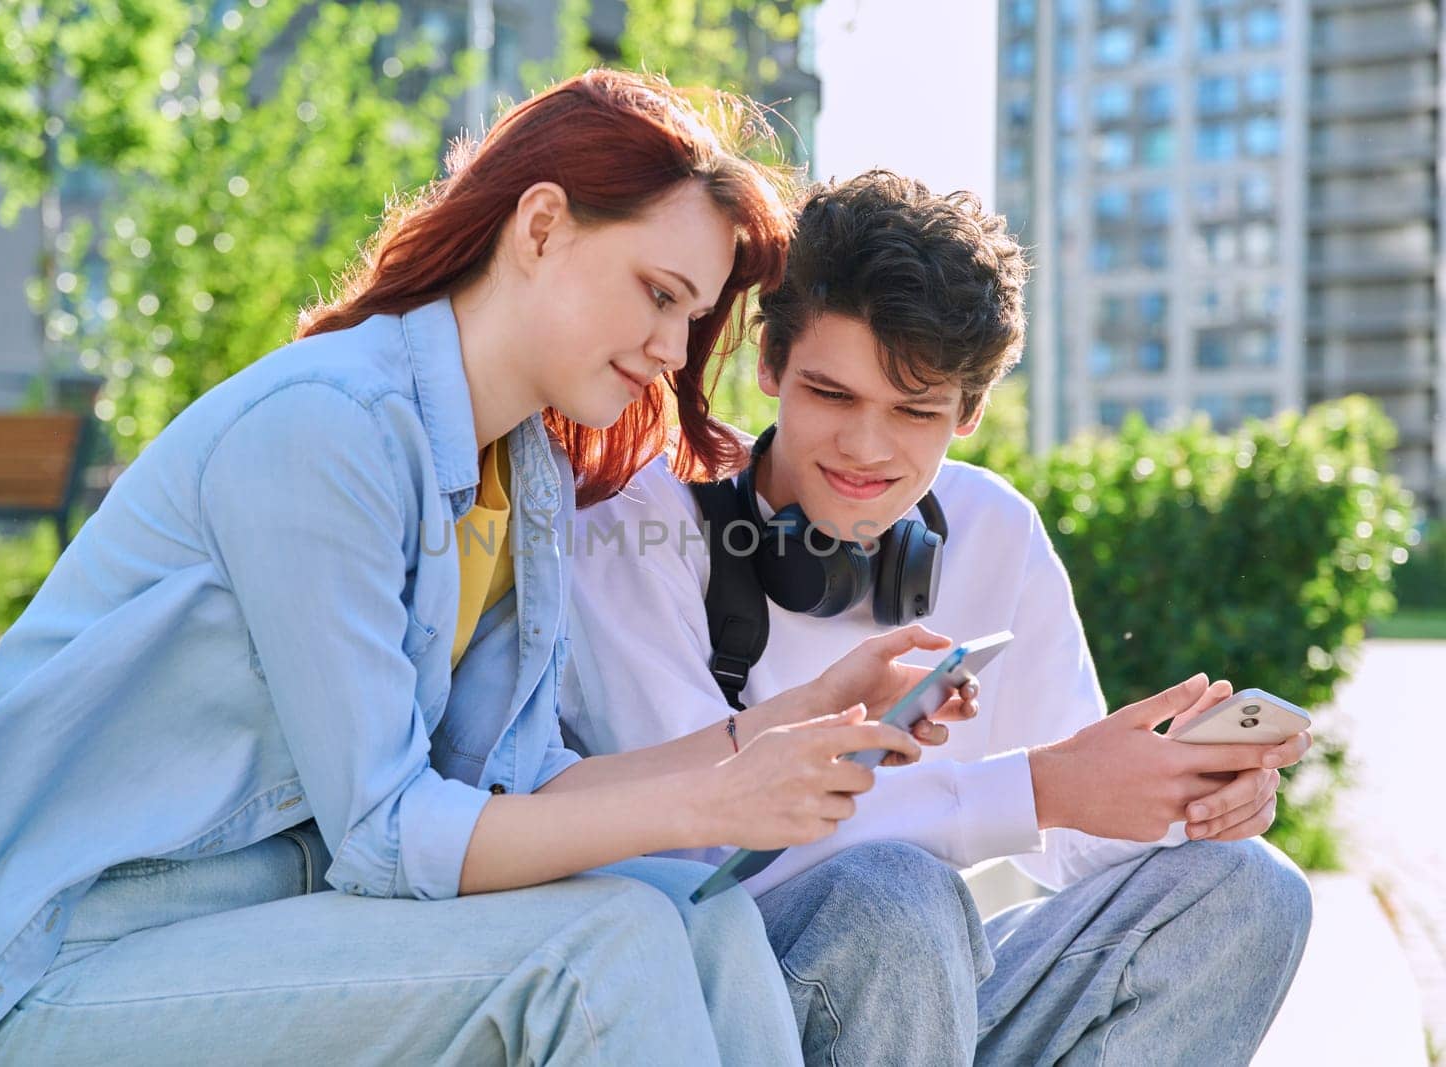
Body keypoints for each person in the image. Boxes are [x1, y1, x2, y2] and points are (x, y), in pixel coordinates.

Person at [0, 76, 972, 1067]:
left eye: (693, 314)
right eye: (659, 293)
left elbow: (518, 790)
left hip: (260, 930)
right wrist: (706, 798)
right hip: (49, 961)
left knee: (701, 916)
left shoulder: (518, 472)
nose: (675, 354)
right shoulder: (325, 428)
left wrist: (776, 729)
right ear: (540, 227)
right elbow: (389, 834)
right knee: (600, 947)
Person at [562, 171, 1316, 1065]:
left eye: (915, 411)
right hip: (717, 1002)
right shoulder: (638, 523)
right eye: (832, 395)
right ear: (769, 367)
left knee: (1250, 890)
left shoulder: (995, 530)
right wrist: (1035, 787)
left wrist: (1184, 799)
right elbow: (696, 840)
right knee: (894, 896)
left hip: (924, 1003)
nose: (867, 448)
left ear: (970, 409)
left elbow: (1067, 845)